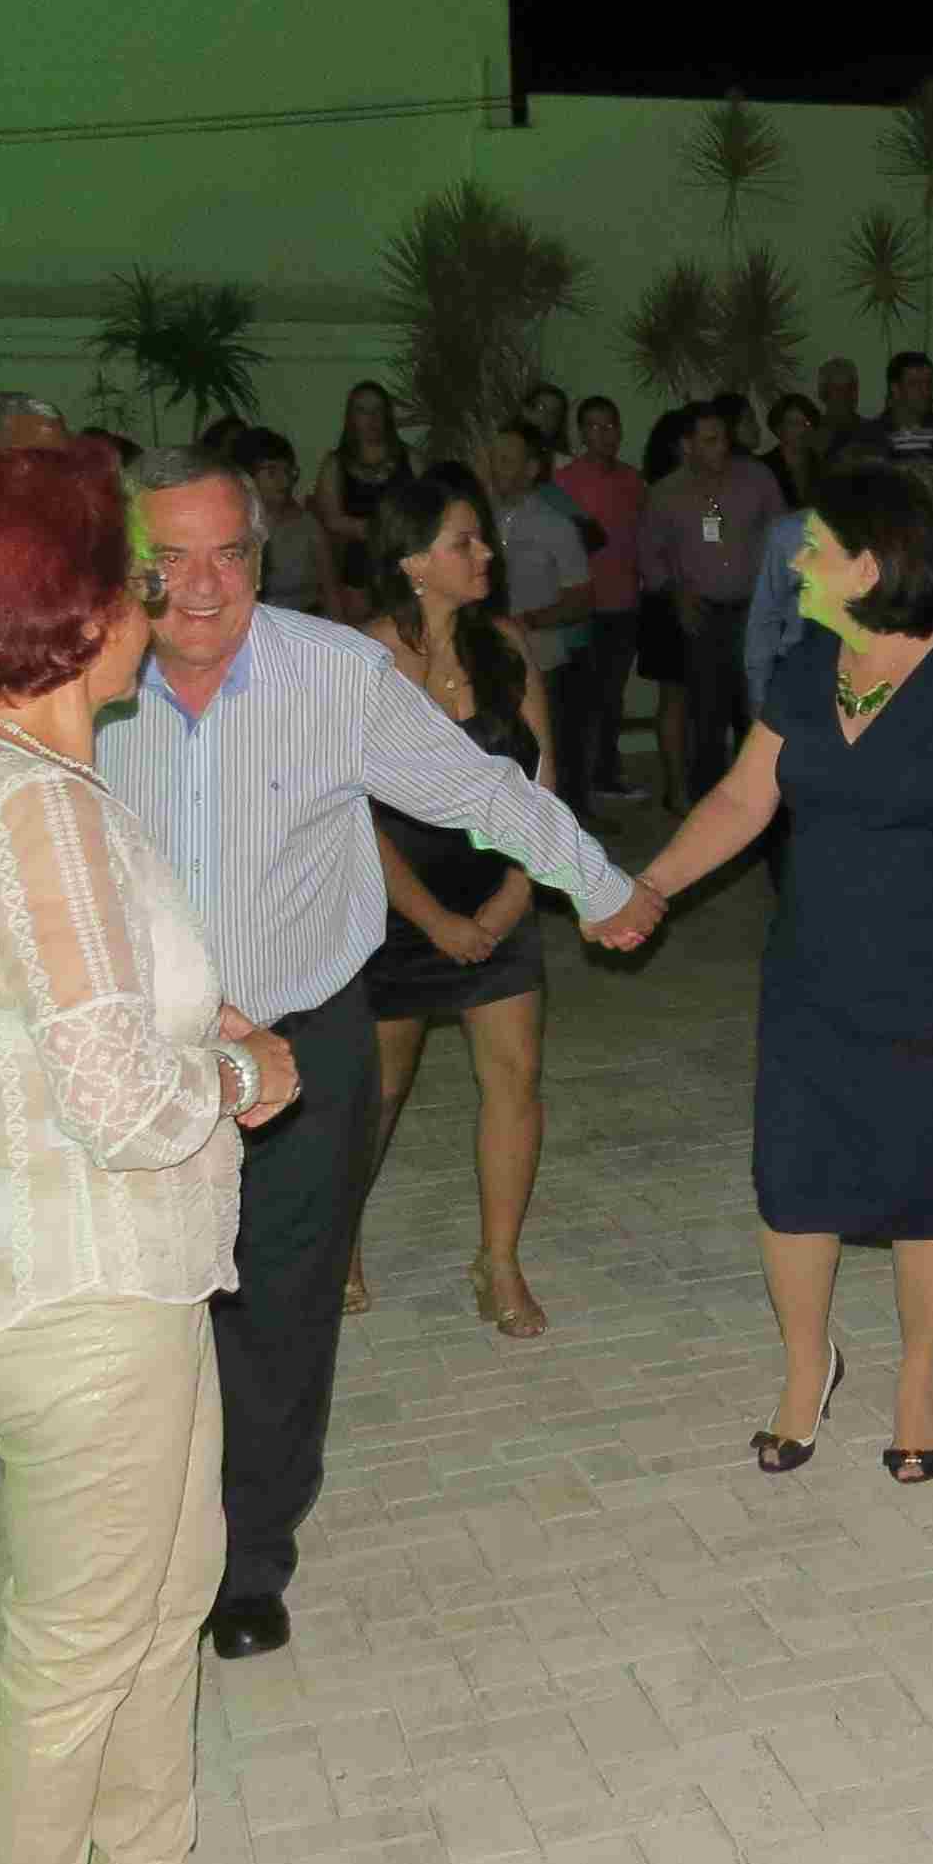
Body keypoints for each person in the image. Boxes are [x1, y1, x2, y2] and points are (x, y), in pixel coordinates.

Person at [0, 449, 660, 1658]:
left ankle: (247, 1560)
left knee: (282, 1308)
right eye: (169, 560)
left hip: (302, 1038)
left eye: (229, 555)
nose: (201, 587)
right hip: (133, 1055)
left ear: (261, 558)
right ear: (122, 569)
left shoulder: (335, 674)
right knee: (153, 1310)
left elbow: (483, 792)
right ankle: (147, 1529)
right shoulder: (79, 676)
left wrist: (599, 884)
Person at [0, 445, 309, 1864]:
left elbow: (63, 1013)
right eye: (128, 576)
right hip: (78, 1287)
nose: (157, 600)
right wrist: (244, 1073)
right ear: (61, 611)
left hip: (117, 1271)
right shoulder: (34, 809)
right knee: (77, 1643)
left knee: (166, 1597)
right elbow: (123, 1102)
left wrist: (201, 1023)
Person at [630, 464, 933, 1479]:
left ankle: (918, 1377)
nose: (800, 564)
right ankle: (804, 1368)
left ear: (870, 565)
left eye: (816, 549)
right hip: (814, 975)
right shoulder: (809, 665)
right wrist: (650, 886)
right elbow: (743, 800)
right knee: (795, 1183)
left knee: (932, 1188)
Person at [345, 473, 564, 1337]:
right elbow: (345, 809)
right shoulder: (358, 661)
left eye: (481, 538)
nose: (485, 554)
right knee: (378, 1091)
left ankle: (498, 1261)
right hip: (391, 908)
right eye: (462, 541)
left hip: (499, 894)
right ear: (411, 560)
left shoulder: (505, 645)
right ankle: (338, 1239)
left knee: (515, 1077)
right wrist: (433, 921)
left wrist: (514, 897)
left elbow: (543, 785)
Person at [638, 401, 785, 804]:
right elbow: (649, 557)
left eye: (724, 438)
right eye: (710, 440)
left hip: (755, 614)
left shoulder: (757, 478)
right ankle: (713, 805)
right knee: (707, 719)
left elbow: (784, 536)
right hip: (702, 618)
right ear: (687, 446)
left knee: (757, 714)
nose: (722, 447)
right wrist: (676, 592)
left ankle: (764, 804)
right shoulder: (666, 493)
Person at [556, 394, 647, 800]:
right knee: (582, 698)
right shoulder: (565, 482)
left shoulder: (633, 481)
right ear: (581, 433)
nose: (603, 434)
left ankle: (607, 774)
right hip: (580, 605)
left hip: (624, 603)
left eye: (609, 425)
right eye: (594, 426)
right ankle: (579, 780)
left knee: (612, 696)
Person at [482, 419, 594, 692]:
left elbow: (581, 601)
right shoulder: (479, 521)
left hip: (540, 661)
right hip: (489, 659)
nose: (496, 469)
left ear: (531, 469)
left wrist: (529, 621)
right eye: (494, 459)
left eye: (506, 461)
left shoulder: (557, 526)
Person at [236, 428, 341, 615]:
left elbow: (331, 594)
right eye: (272, 472)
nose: (284, 481)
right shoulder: (234, 529)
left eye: (287, 471)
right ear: (248, 477)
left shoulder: (308, 526)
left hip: (304, 622)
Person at [311, 382, 409, 578]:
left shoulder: (412, 459)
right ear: (351, 418)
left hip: (406, 561)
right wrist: (378, 530)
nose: (371, 418)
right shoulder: (334, 464)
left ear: (387, 415)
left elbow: (426, 513)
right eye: (362, 410)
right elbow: (330, 520)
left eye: (377, 410)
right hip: (355, 565)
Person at [837, 351, 933, 497]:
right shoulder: (870, 433)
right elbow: (845, 475)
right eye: (915, 384)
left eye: (929, 383)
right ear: (895, 389)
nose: (925, 391)